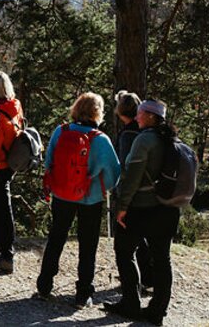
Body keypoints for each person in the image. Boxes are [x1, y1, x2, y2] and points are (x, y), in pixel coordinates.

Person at [36, 92, 120, 308]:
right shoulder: (101, 140)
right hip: (90, 198)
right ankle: (83, 294)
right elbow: (113, 173)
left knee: (56, 237)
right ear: (97, 113)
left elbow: (49, 161)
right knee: (88, 244)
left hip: (62, 194)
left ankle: (44, 286)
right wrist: (100, 187)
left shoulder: (60, 131)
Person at [104, 99, 180, 326]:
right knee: (162, 259)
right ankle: (157, 311)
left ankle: (131, 304)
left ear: (150, 116)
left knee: (124, 251)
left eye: (140, 113)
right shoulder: (172, 139)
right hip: (168, 208)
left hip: (142, 208)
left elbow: (131, 176)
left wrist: (122, 206)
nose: (136, 117)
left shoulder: (144, 140)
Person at [112, 91, 153, 288]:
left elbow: (125, 166)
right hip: (147, 192)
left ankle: (134, 283)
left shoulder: (128, 134)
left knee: (127, 242)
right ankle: (147, 277)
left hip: (131, 194)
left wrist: (121, 196)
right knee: (141, 236)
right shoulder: (144, 130)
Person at [0, 70, 23, 274]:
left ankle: (6, 253)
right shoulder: (14, 106)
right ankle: (2, 248)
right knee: (1, 207)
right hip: (10, 164)